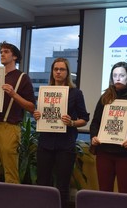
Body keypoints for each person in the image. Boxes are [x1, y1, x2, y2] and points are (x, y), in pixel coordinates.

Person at [33, 57, 90, 208]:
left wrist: (71, 122)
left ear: (67, 72)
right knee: (42, 183)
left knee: (62, 185)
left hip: (65, 144)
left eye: (62, 69)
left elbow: (84, 119)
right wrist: (36, 115)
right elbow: (40, 114)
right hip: (45, 143)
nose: (58, 72)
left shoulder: (76, 93)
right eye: (55, 69)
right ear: (52, 72)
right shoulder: (45, 92)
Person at [0, 41, 35, 184]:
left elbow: (31, 107)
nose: (2, 54)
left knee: (10, 170)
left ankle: (12, 201)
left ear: (15, 56)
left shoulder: (22, 77)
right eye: (1, 52)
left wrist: (14, 94)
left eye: (6, 52)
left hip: (9, 127)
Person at [90, 61, 127, 193]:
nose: (118, 78)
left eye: (122, 75)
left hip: (126, 154)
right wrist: (94, 136)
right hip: (104, 152)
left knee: (125, 193)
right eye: (115, 75)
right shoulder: (104, 98)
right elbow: (95, 123)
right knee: (104, 193)